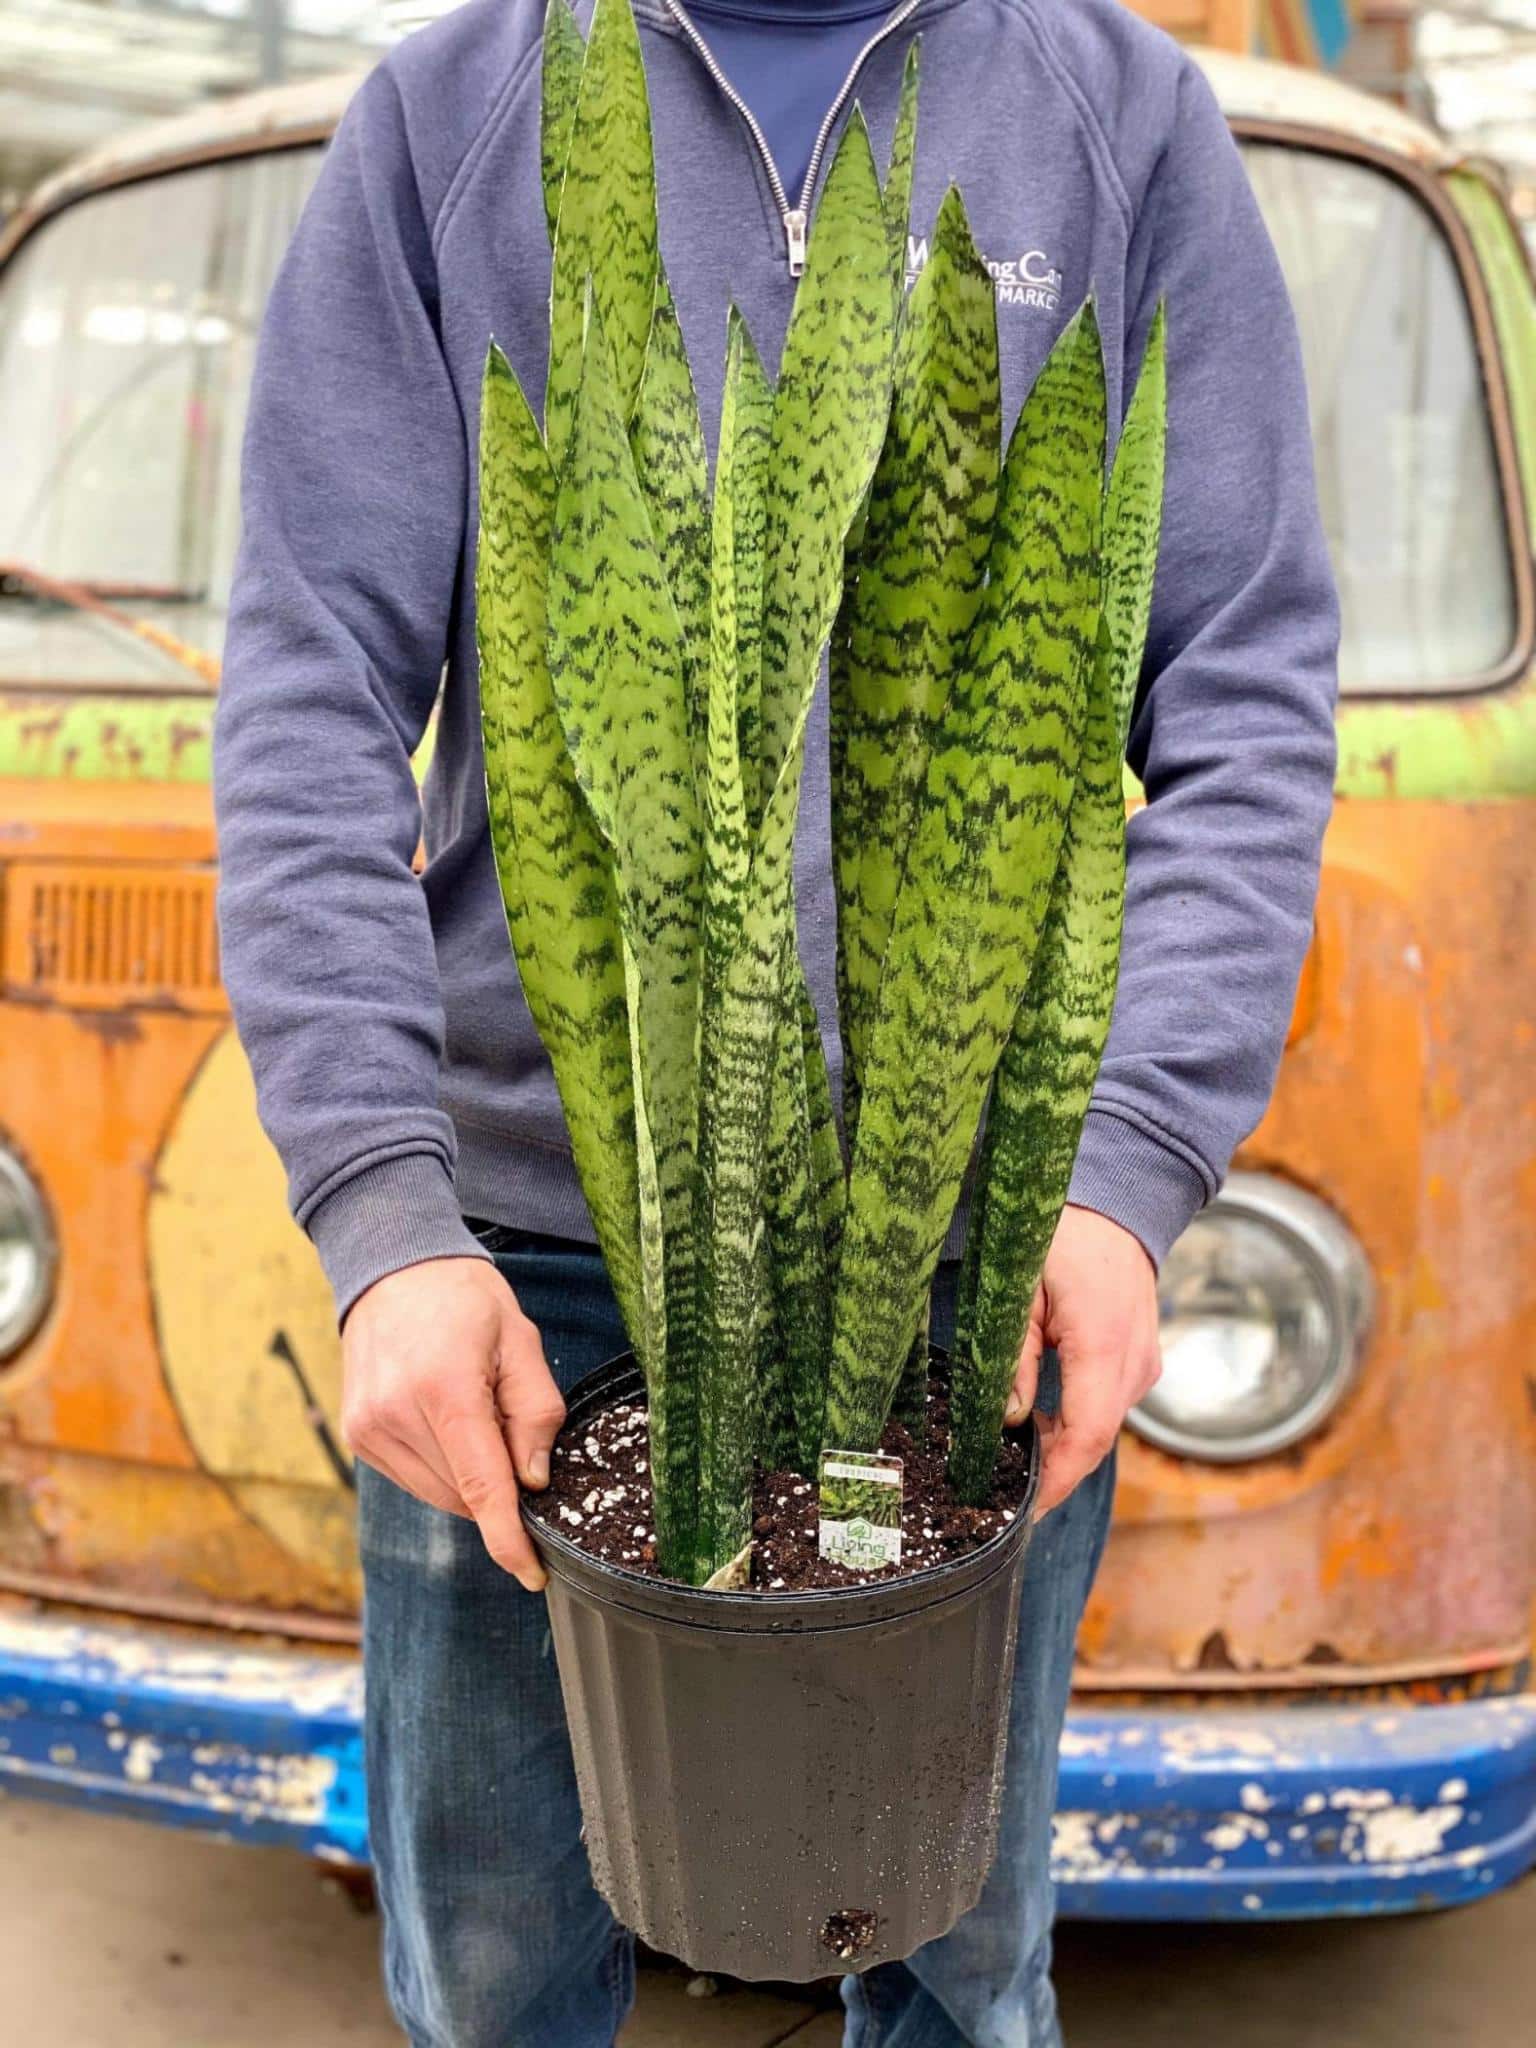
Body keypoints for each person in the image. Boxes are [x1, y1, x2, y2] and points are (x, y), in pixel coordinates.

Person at [213, 0, 1339, 2038]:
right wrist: (385, 1224)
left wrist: (1122, 1177)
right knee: (488, 1965)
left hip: (962, 1272)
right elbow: (309, 695)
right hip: (526, 1269)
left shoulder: (1123, 114)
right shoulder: (456, 112)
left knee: (955, 1960)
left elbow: (1245, 696)